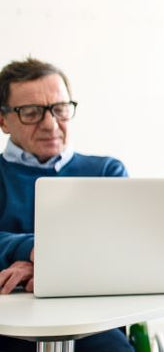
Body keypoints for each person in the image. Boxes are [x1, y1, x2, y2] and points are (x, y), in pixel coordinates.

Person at [0, 57, 132, 352]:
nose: (50, 124)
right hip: (6, 324)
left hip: (89, 323)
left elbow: (119, 245)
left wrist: (46, 265)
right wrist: (34, 250)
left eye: (60, 109)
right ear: (3, 120)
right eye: (31, 113)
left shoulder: (106, 172)